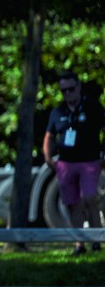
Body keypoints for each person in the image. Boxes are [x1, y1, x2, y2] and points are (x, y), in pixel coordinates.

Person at [43, 71, 105, 255]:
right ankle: (79, 244)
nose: (67, 93)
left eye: (71, 89)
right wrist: (48, 157)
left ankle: (96, 239)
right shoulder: (58, 112)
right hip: (65, 164)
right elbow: (49, 136)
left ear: (78, 87)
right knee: (72, 204)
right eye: (63, 90)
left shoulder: (93, 108)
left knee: (89, 199)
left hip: (89, 162)